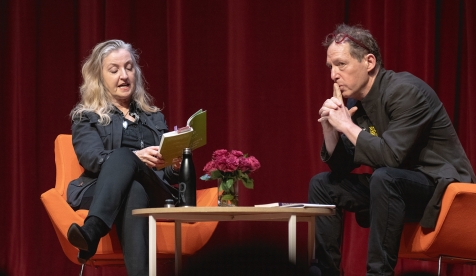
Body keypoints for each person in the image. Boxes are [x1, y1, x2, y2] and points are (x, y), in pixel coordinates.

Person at [308, 24, 475, 275]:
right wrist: (331, 130)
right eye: (330, 67)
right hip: (394, 188)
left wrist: (346, 125)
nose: (333, 75)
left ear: (369, 61)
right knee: (323, 184)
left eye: (341, 64)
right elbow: (342, 167)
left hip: (441, 189)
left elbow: (390, 157)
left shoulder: (405, 91)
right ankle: (325, 271)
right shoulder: (357, 104)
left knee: (385, 177)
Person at [65, 39, 181, 276]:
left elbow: (167, 173)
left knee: (134, 174)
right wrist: (134, 157)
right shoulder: (86, 117)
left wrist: (176, 164)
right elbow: (92, 158)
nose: (124, 76)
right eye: (114, 70)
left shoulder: (154, 117)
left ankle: (92, 231)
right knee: (133, 186)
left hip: (156, 189)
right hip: (102, 187)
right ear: (99, 77)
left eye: (129, 67)